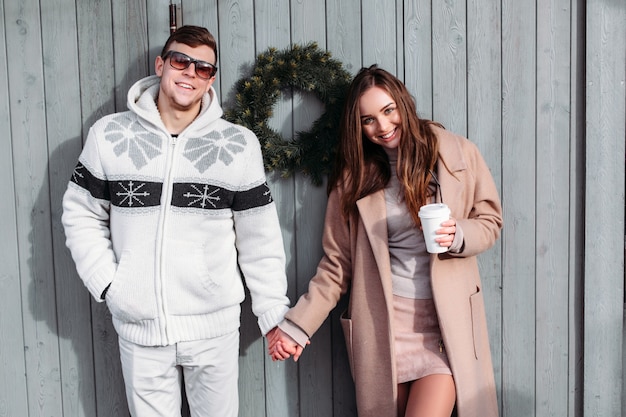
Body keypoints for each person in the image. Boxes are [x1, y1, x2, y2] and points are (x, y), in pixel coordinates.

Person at [62, 25, 290, 417]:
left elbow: (260, 238)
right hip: (140, 330)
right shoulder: (110, 135)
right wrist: (111, 284)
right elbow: (80, 213)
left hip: (213, 330)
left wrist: (272, 315)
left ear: (211, 79)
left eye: (202, 68)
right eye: (181, 61)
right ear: (161, 64)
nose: (190, 72)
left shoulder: (237, 145)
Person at [268, 65, 502, 417]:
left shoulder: (458, 155)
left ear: (403, 103)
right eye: (369, 120)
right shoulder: (353, 180)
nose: (383, 126)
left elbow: (490, 221)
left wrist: (459, 234)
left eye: (388, 110)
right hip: (384, 328)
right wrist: (296, 327)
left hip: (444, 328)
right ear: (358, 127)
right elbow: (336, 266)